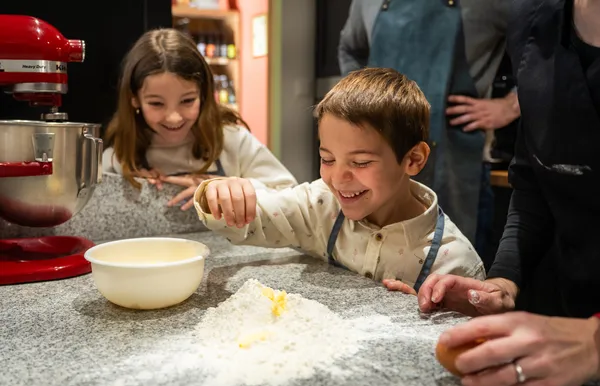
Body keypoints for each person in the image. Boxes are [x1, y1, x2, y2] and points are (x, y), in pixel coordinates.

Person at [417, 0, 600, 386]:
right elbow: (535, 181)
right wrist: (503, 282)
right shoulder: (533, 21)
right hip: (567, 308)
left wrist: (594, 342)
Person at [192, 68, 485, 292]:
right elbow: (254, 219)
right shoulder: (322, 207)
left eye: (360, 162)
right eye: (327, 159)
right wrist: (219, 194)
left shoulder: (454, 261)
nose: (338, 178)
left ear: (413, 159)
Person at [338, 0, 521, 256]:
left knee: (452, 276)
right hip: (376, 160)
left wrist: (510, 105)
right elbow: (350, 48)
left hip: (454, 166)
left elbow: (547, 48)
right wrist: (359, 103)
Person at [102, 28, 297, 211]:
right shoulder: (118, 157)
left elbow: (291, 197)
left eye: (187, 101)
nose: (174, 117)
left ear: (203, 94)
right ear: (134, 99)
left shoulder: (232, 140)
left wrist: (232, 189)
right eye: (156, 104)